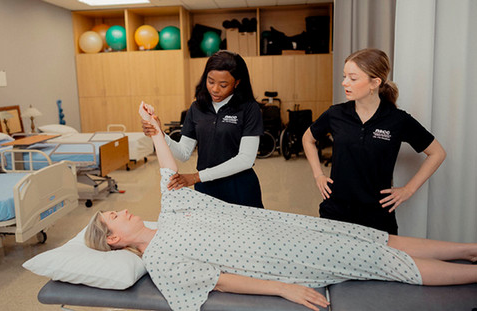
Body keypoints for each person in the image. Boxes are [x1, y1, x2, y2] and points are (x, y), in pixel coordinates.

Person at [85, 102, 477, 311]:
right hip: (285, 256)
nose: (122, 210)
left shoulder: (169, 211)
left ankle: (468, 250)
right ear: (116, 239)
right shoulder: (160, 259)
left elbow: (168, 166)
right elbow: (219, 280)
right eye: (114, 215)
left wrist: (153, 127)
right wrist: (282, 289)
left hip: (288, 226)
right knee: (378, 259)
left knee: (374, 237)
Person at [302, 48, 446, 234]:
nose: (344, 82)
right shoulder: (335, 114)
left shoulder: (397, 120)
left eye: (353, 78)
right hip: (336, 210)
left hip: (377, 215)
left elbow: (437, 153)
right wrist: (318, 175)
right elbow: (308, 139)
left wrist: (408, 190)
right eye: (345, 76)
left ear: (375, 83)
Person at [141, 50, 264, 208]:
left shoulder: (249, 108)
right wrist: (160, 134)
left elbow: (245, 159)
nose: (215, 89)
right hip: (207, 189)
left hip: (239, 187)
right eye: (211, 81)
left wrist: (196, 177)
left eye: (223, 85)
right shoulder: (197, 107)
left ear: (237, 82)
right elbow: (184, 153)